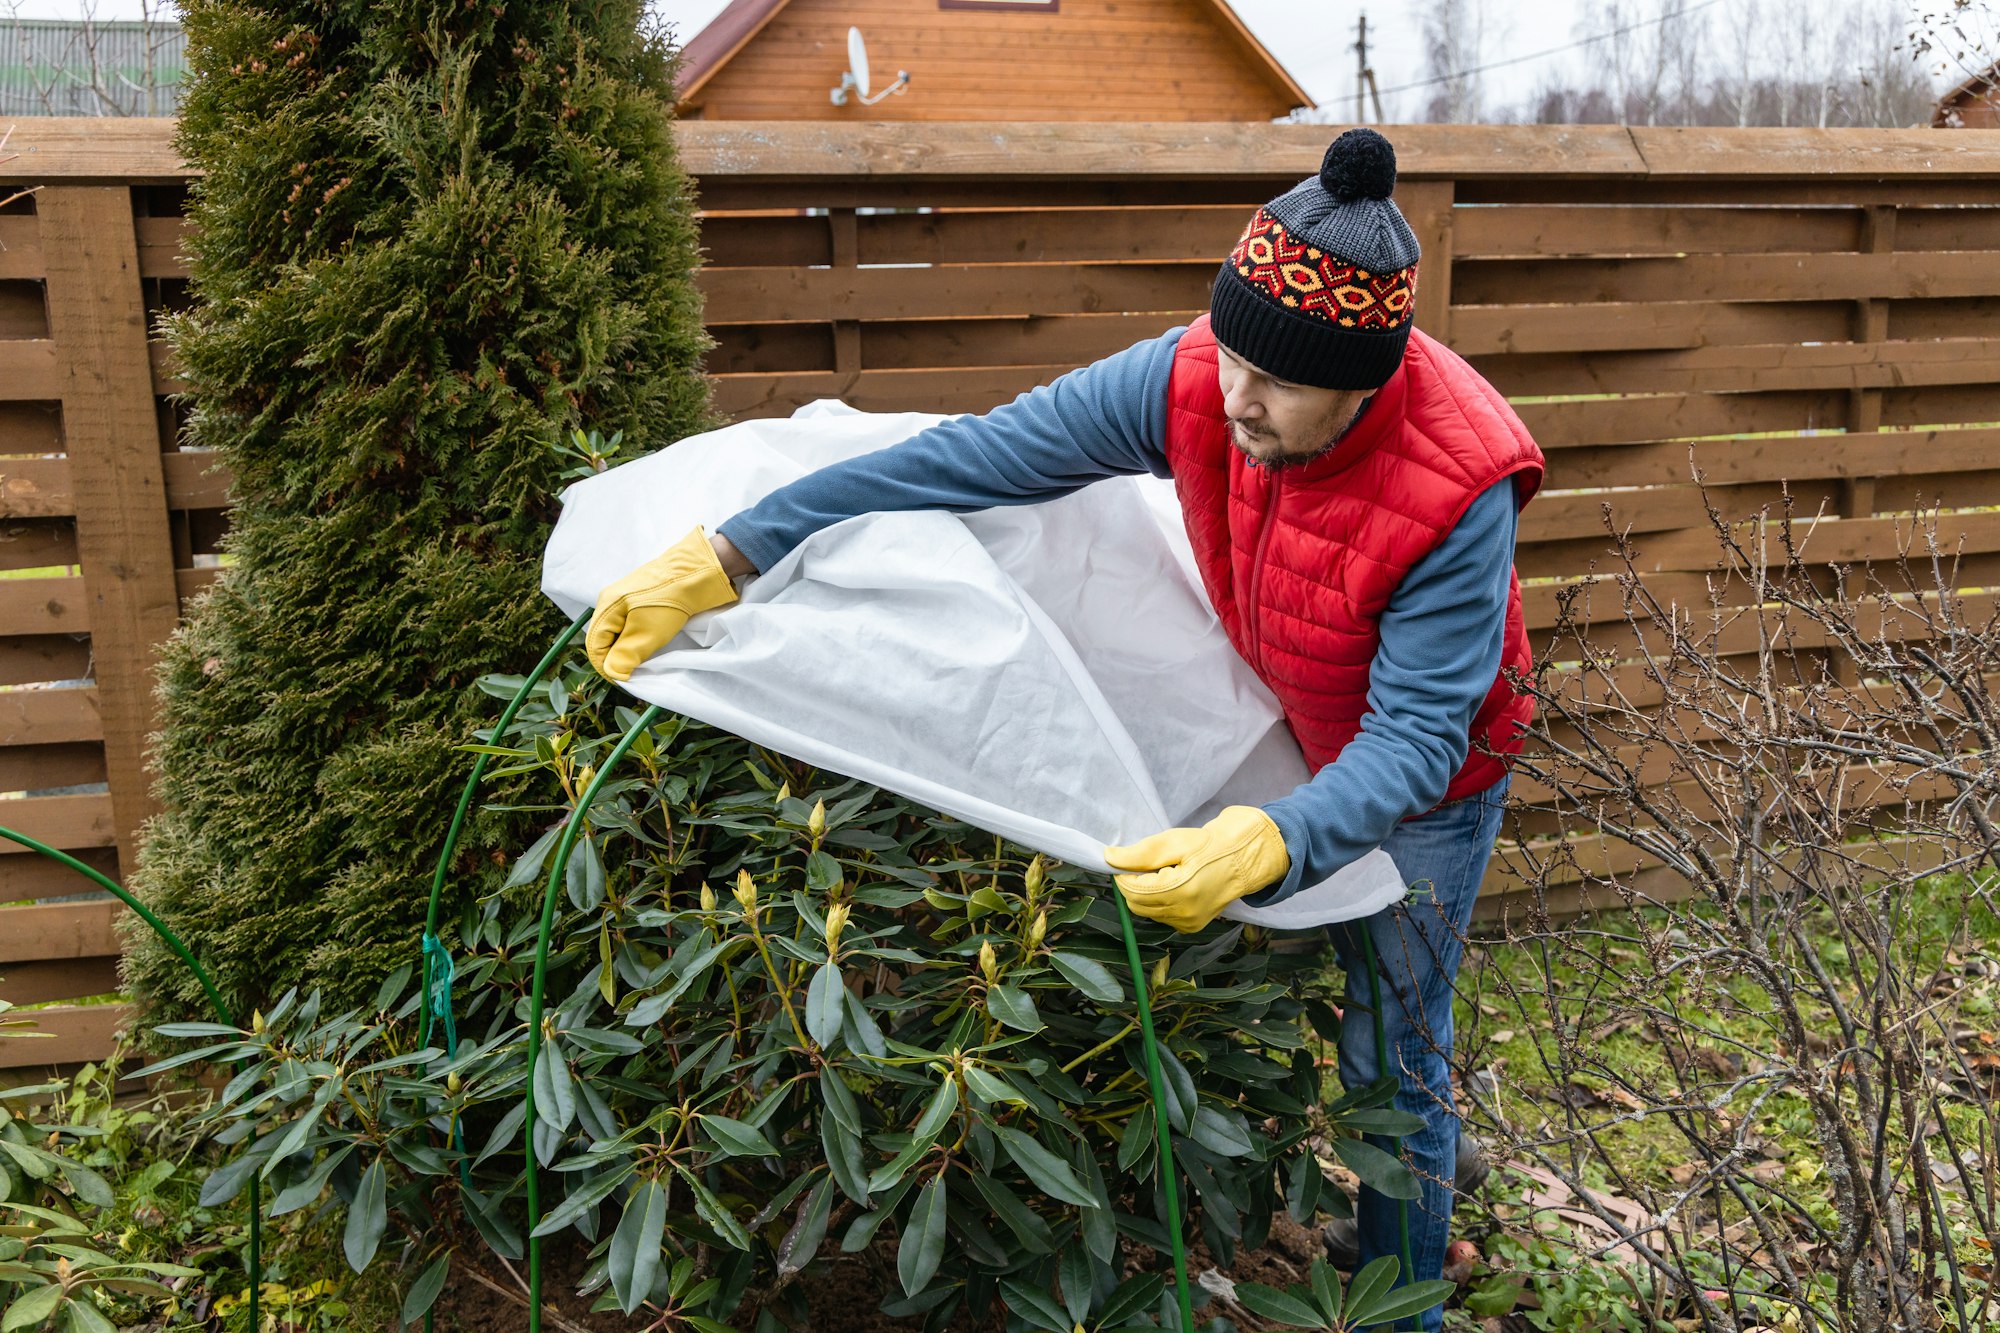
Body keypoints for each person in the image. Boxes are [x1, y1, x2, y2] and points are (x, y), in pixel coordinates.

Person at [585, 127, 1542, 1324]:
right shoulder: (1199, 375)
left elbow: (1413, 738)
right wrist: (739, 548)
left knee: (1389, 1031)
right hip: (1299, 708)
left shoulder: (1455, 482)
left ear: (1366, 377)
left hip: (1435, 776)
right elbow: (972, 457)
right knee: (1347, 1003)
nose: (1235, 397)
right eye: (1229, 355)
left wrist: (1271, 840)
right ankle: (1441, 1178)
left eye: (1278, 380)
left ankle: (1404, 1304)